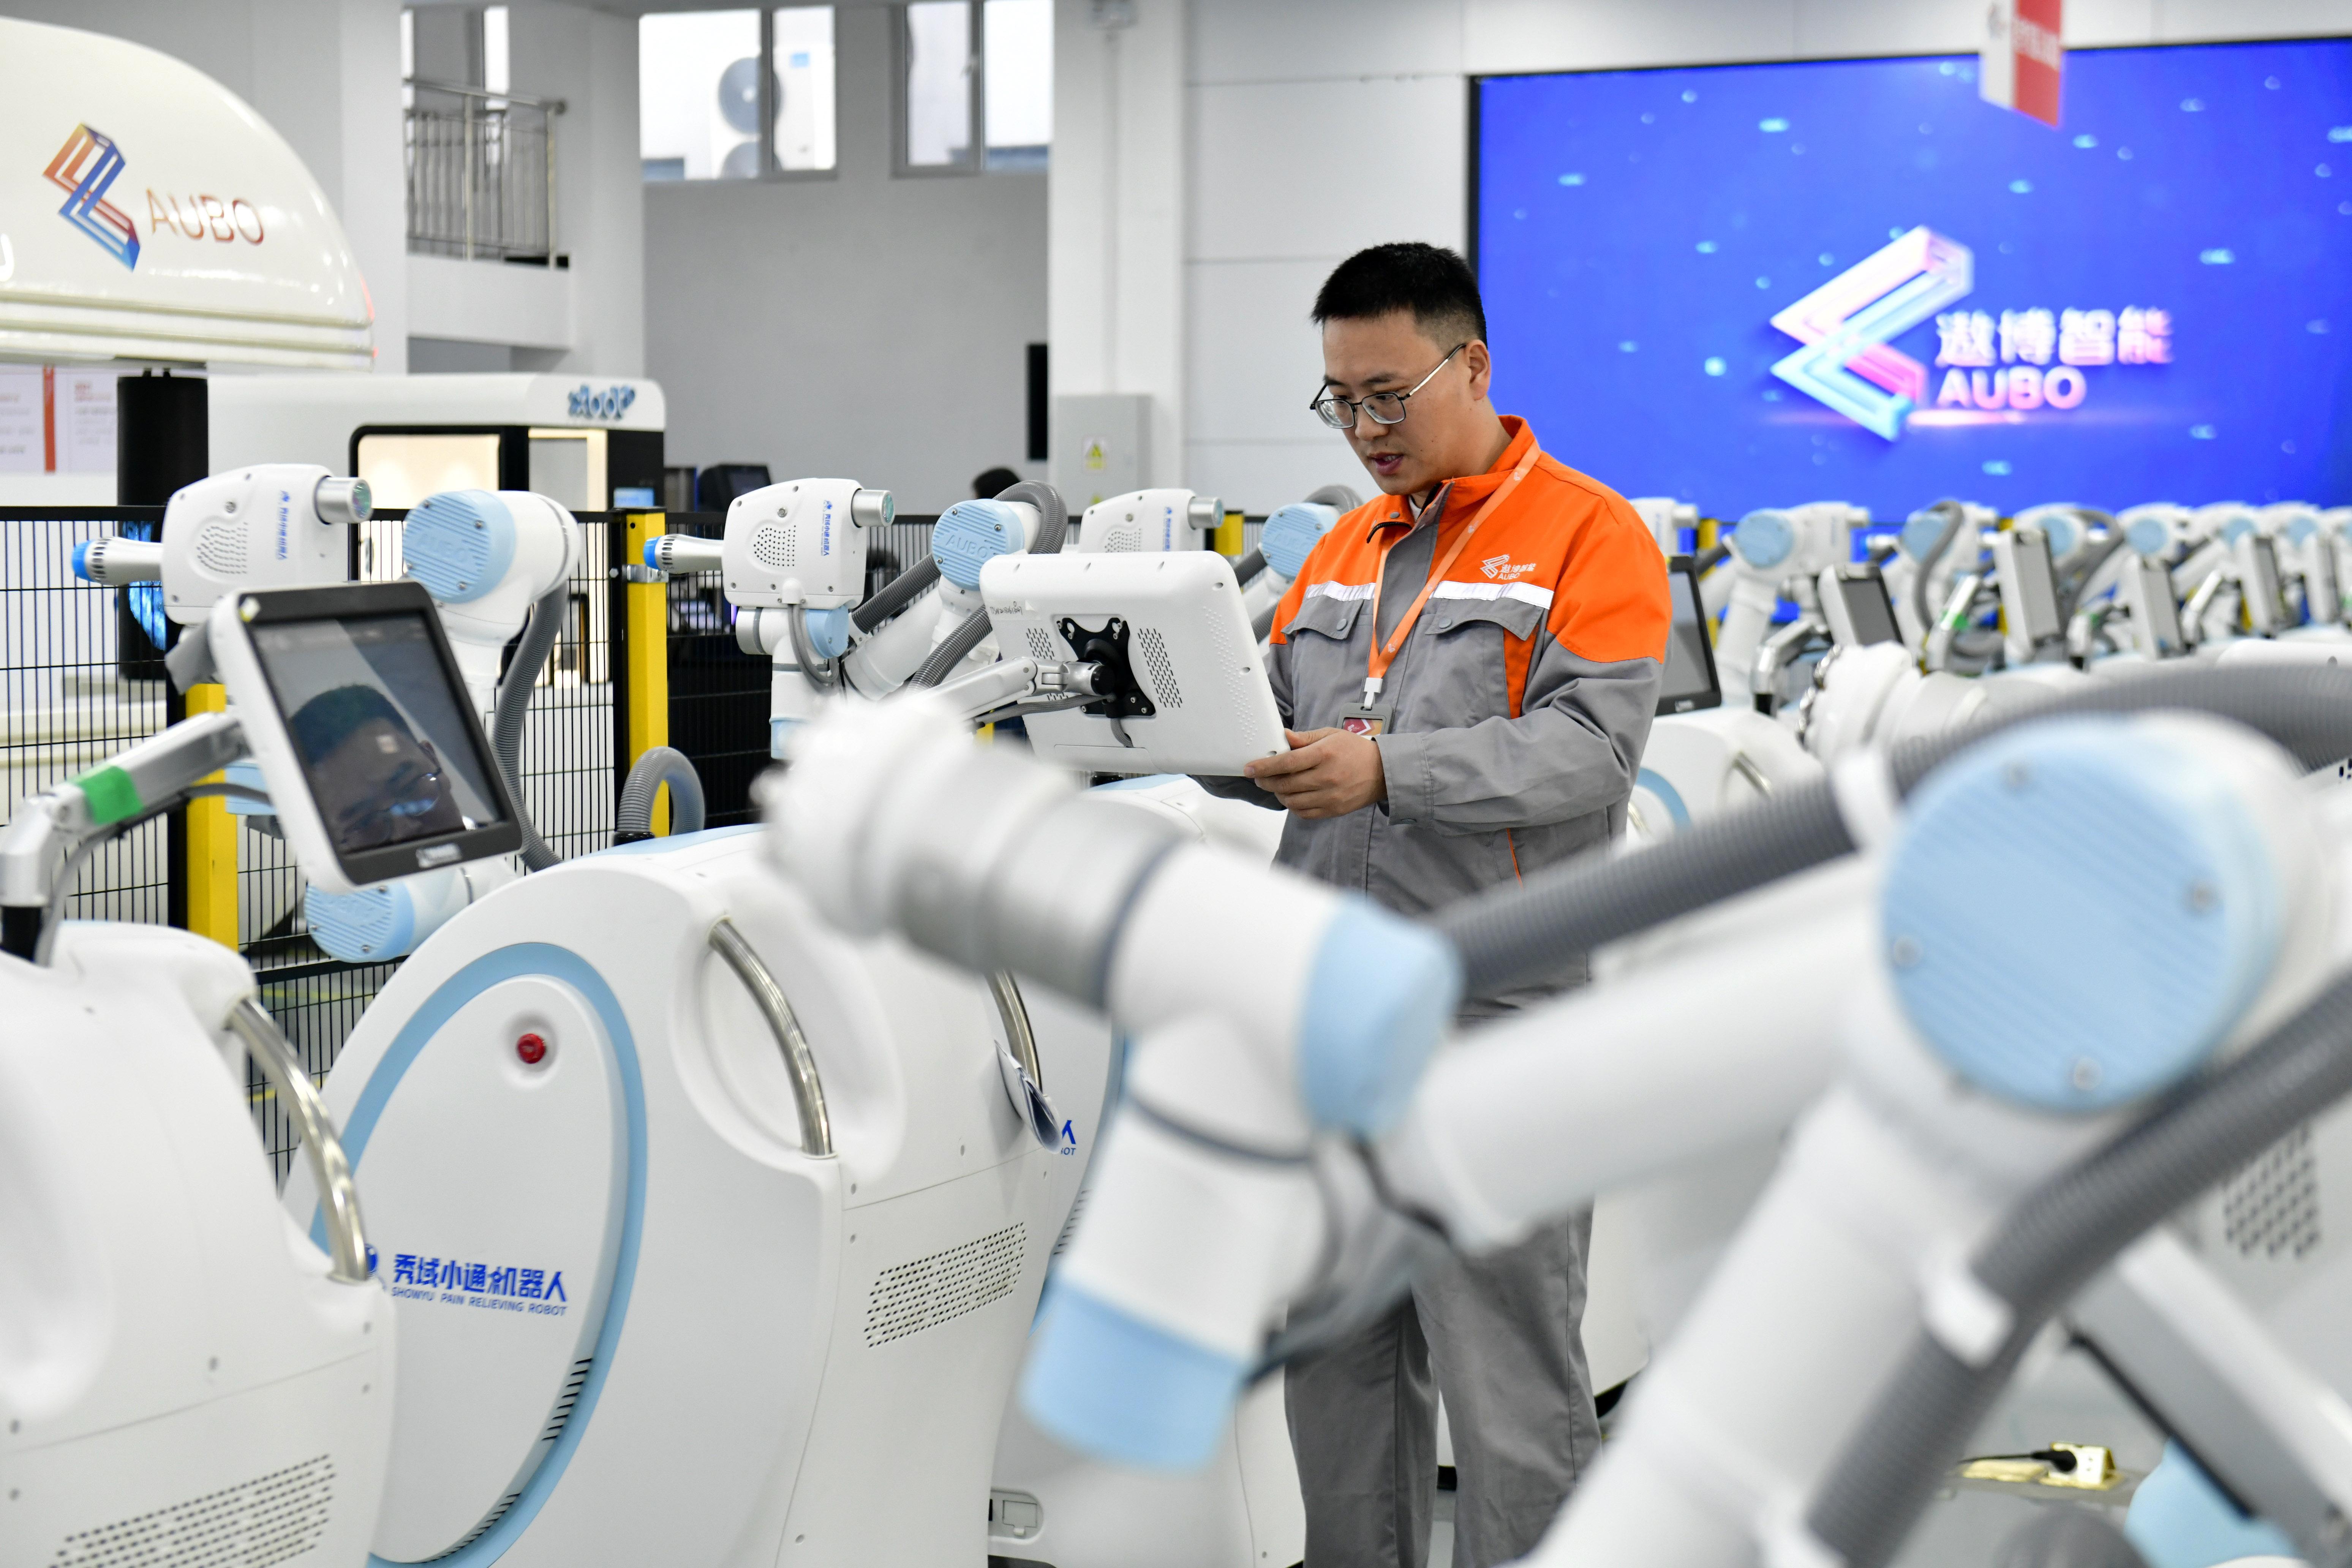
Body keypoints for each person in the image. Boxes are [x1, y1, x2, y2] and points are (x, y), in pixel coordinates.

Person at [1198, 242, 1669, 1568]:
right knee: (1337, 1363)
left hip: (1493, 1015)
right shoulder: (1345, 549)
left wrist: (1391, 769)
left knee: (1508, 1383)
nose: (1364, 430)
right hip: (1332, 1014)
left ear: (1473, 366)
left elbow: (1593, 752)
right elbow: (1275, 731)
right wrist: (1159, 713)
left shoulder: (1591, 535)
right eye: (1340, 401)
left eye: (1388, 396)